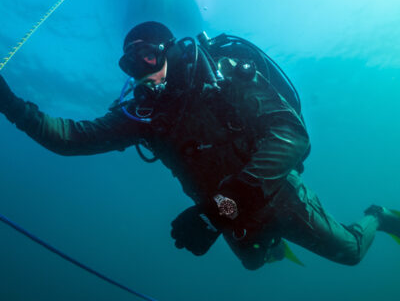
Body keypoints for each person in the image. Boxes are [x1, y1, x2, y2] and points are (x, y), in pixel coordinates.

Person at [0, 21, 399, 270]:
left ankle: (378, 217)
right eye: (130, 64)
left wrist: (219, 210)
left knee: (350, 253)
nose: (140, 71)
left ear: (169, 51)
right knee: (255, 262)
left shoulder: (225, 79)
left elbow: (291, 135)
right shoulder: (144, 115)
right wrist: (11, 105)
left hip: (276, 195)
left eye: (147, 56)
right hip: (221, 213)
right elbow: (72, 138)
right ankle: (272, 245)